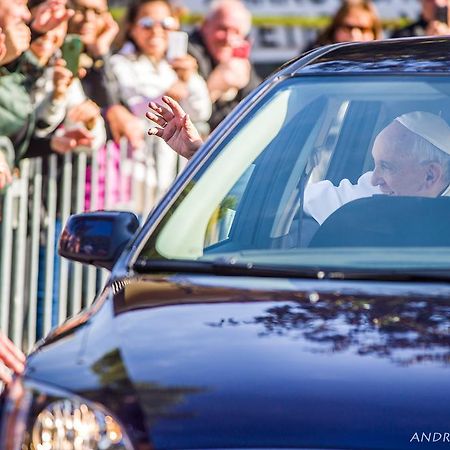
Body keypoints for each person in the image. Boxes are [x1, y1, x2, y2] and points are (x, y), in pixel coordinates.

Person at [147, 98, 450, 223]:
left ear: (430, 176)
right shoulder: (367, 195)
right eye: (375, 164)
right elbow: (268, 199)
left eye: (387, 167)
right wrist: (198, 153)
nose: (374, 178)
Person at [188, 0, 260, 131]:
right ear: (205, 26)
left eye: (236, 32)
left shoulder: (239, 57)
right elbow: (186, 113)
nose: (229, 39)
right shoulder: (188, 54)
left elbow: (257, 104)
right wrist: (214, 87)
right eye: (223, 29)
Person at [308, 0, 382, 50]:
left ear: (374, 33)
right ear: (334, 29)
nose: (355, 35)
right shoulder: (312, 57)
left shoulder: (385, 65)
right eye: (348, 28)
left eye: (363, 29)